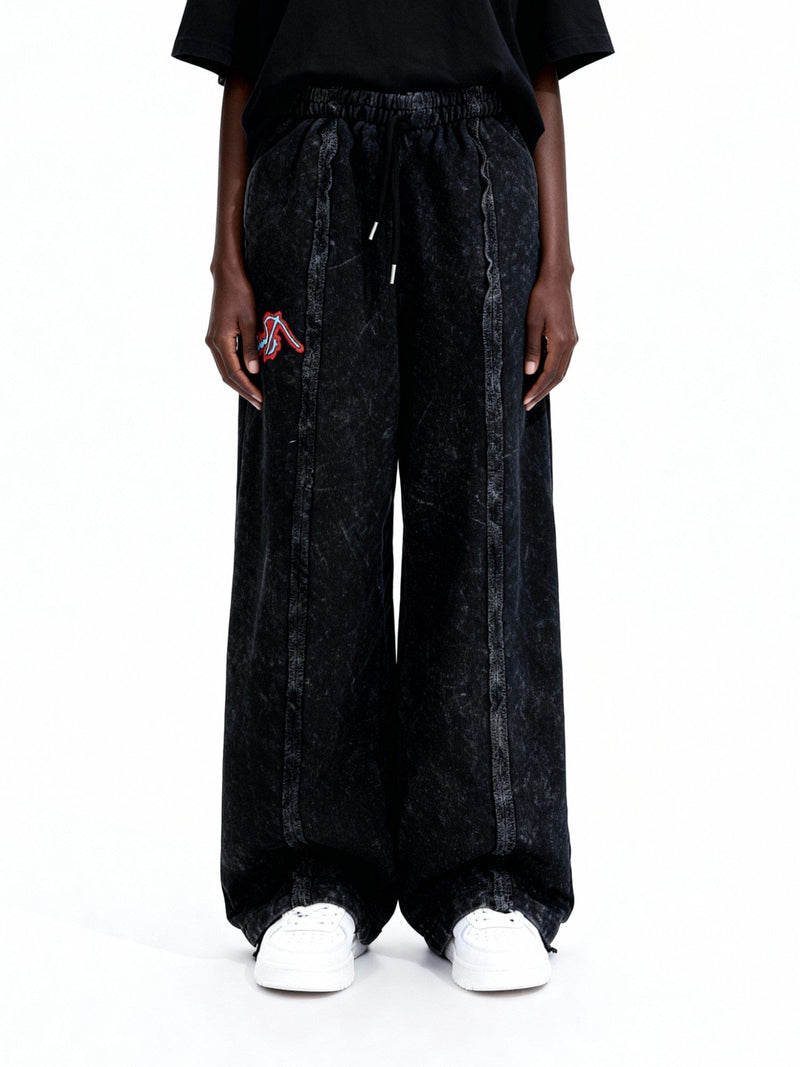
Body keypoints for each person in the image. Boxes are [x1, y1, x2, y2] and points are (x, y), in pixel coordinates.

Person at [170, 0, 614, 994]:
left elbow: (542, 64)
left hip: (480, 167)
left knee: (484, 521)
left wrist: (557, 265)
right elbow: (240, 66)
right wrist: (227, 262)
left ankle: (489, 874)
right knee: (310, 518)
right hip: (311, 169)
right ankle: (307, 872)